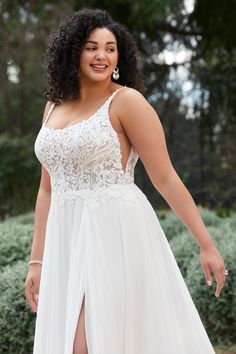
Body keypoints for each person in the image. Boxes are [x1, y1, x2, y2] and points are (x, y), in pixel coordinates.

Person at [24, 7, 228, 354]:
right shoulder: (53, 106)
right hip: (66, 236)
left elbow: (165, 178)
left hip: (113, 232)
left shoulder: (127, 102)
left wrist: (206, 244)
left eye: (110, 47)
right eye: (91, 47)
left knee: (85, 344)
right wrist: (36, 260)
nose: (101, 55)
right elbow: (47, 188)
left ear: (119, 56)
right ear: (73, 51)